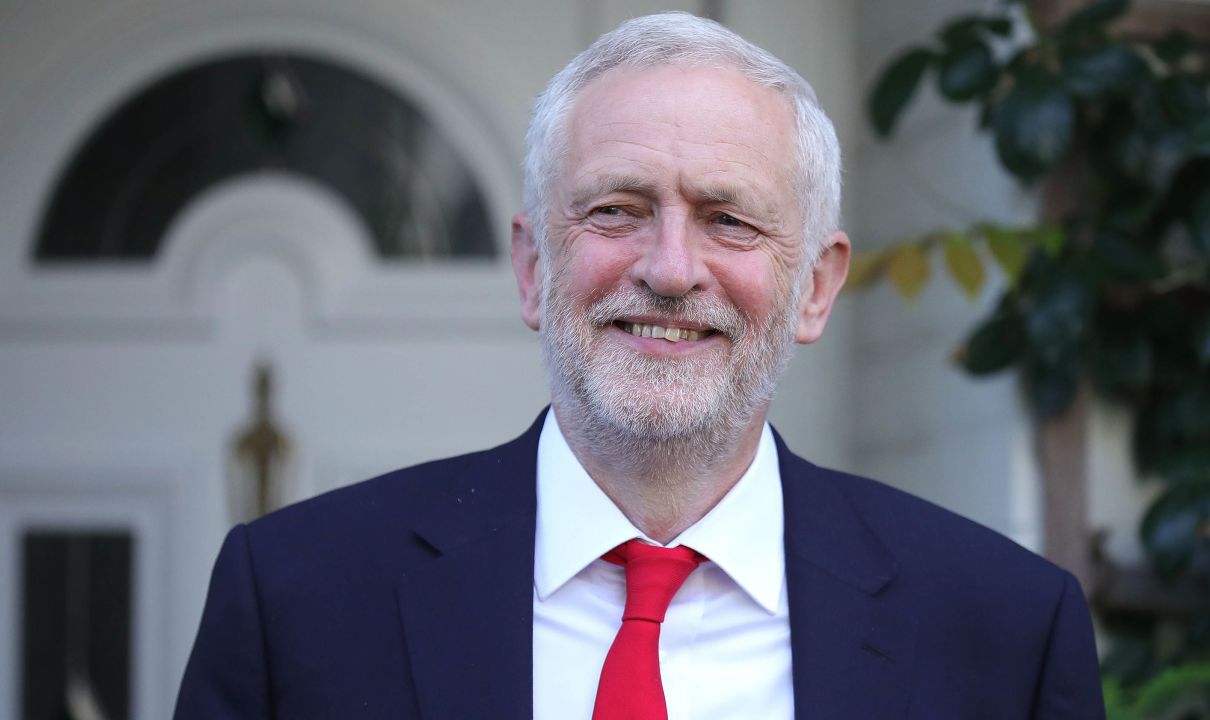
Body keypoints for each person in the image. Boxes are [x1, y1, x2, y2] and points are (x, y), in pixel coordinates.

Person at [175, 12, 1104, 719]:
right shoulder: (295, 600)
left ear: (815, 287)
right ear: (534, 266)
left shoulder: (1006, 631)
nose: (668, 268)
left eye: (729, 220)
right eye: (616, 210)